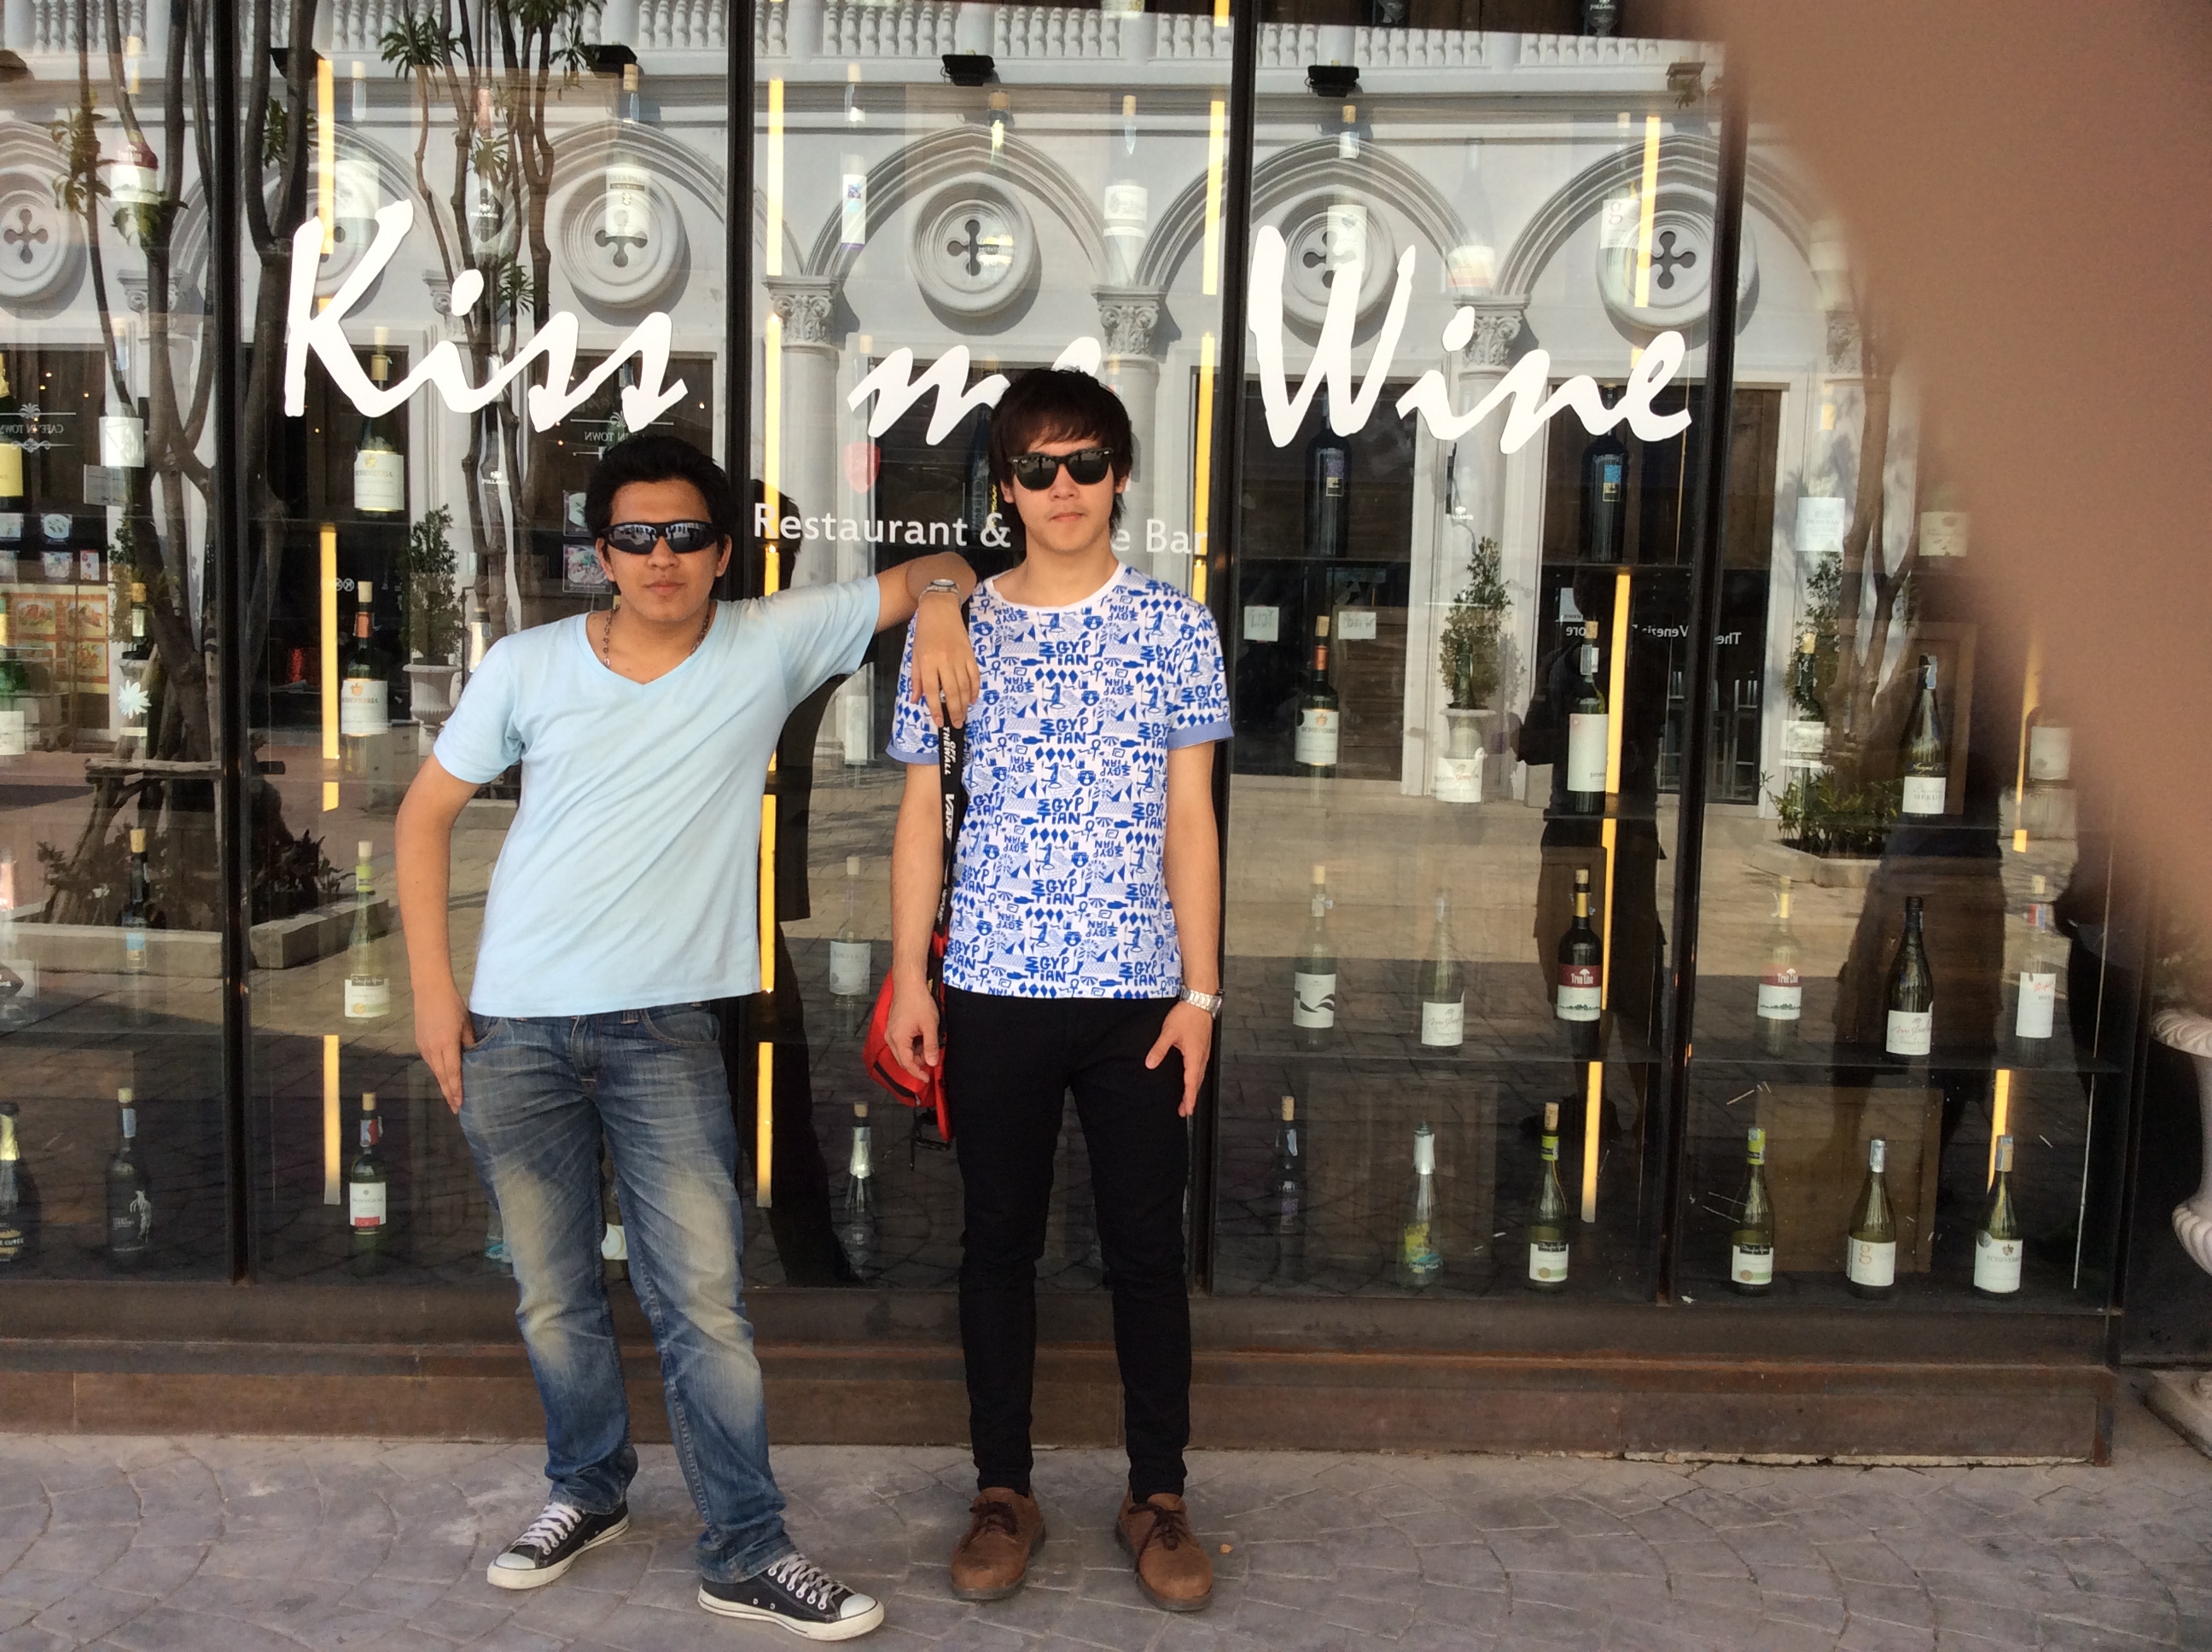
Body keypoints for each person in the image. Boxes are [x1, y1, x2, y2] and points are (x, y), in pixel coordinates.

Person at [394, 433, 979, 1641]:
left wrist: (937, 609)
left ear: (723, 553)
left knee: (703, 1301)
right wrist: (434, 997)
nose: (661, 557)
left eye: (687, 535)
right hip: (515, 1027)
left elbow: (947, 563)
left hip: (665, 1032)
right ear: (601, 553)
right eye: (635, 536)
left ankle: (746, 1549)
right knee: (552, 1294)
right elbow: (423, 815)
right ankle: (587, 1488)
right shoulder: (530, 665)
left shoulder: (768, 641)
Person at [882, 369, 1230, 1614]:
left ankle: (1158, 1495)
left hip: (1138, 994)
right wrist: (908, 976)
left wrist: (1201, 995)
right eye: (1037, 468)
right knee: (996, 1248)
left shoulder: (1176, 626)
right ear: (1006, 487)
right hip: (989, 988)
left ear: (1120, 476)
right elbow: (920, 817)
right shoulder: (954, 628)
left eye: (1086, 463)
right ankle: (1003, 1490)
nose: (1063, 487)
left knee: (1146, 1251)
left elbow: (1191, 822)